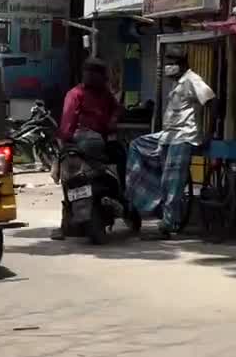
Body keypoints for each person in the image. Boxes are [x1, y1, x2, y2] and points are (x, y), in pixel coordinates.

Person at [126, 47, 215, 238]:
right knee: (136, 145)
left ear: (181, 64)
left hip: (183, 137)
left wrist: (209, 133)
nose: (168, 67)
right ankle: (146, 200)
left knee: (172, 183)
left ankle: (168, 224)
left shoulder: (193, 80)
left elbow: (211, 102)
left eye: (171, 63)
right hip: (168, 136)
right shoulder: (177, 84)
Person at [51, 58, 124, 241]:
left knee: (70, 179)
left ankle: (66, 223)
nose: (91, 76)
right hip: (86, 143)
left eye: (95, 73)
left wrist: (112, 121)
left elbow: (116, 110)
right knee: (71, 179)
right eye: (89, 72)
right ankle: (120, 197)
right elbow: (68, 122)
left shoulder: (100, 94)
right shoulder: (78, 93)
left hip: (87, 142)